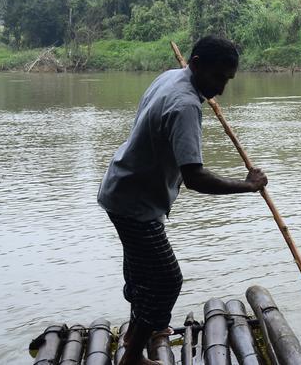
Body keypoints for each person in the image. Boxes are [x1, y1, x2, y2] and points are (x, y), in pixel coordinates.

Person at [97, 35, 267, 365]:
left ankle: (135, 334)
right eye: (218, 78)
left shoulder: (171, 76)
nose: (221, 90)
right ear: (197, 64)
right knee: (165, 281)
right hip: (135, 204)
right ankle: (131, 358)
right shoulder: (186, 105)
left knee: (142, 276)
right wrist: (248, 186)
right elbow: (195, 178)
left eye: (227, 80)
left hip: (121, 189)